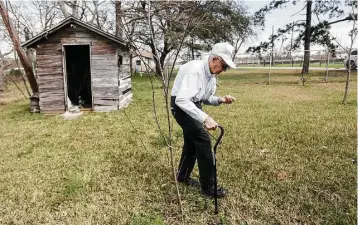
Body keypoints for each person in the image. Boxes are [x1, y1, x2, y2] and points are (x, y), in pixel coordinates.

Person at [170, 42, 236, 198]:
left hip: (193, 104)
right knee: (203, 140)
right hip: (181, 107)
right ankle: (209, 187)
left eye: (225, 67)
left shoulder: (211, 76)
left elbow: (204, 98)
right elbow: (182, 100)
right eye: (223, 65)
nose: (223, 70)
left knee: (192, 141)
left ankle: (182, 176)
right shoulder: (195, 70)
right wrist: (205, 118)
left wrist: (220, 100)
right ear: (214, 59)